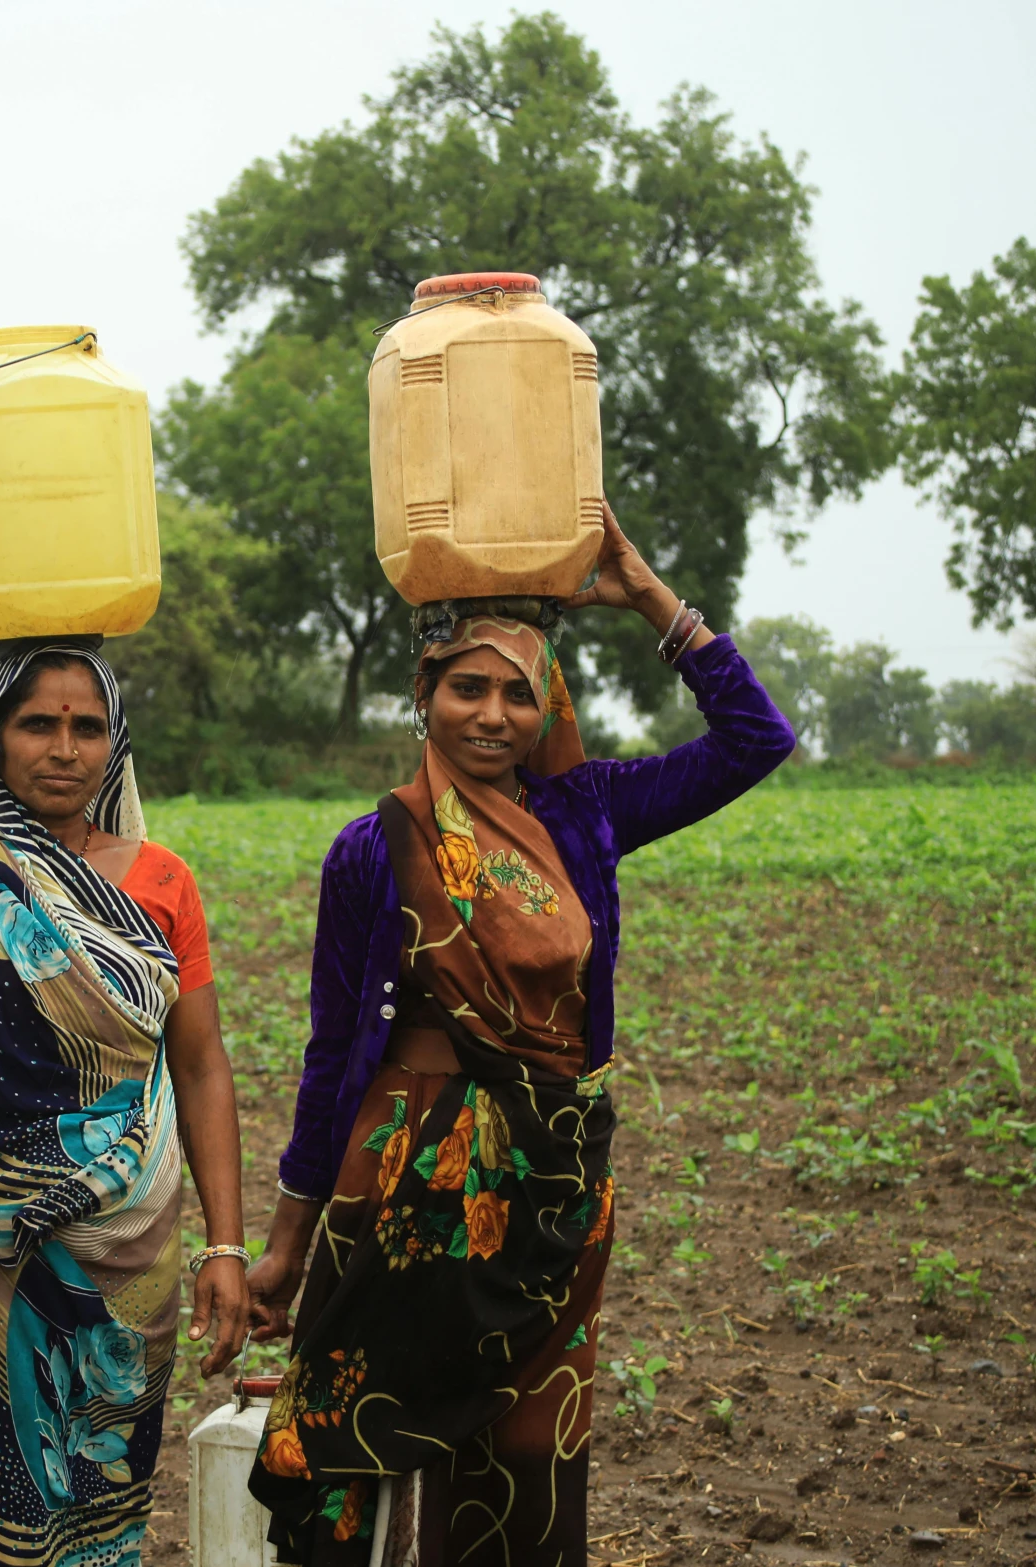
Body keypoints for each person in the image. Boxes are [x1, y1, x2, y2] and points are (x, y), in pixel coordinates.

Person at [244, 507, 796, 1566]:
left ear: (549, 704)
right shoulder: (374, 847)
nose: (492, 714)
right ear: (422, 695)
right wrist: (286, 1236)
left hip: (547, 1183)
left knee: (521, 1447)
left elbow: (755, 740)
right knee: (342, 1442)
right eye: (467, 686)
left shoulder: (585, 815)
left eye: (518, 692)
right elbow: (332, 1052)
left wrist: (647, 594)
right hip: (398, 1175)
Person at [0, 636, 252, 1567]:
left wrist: (227, 1245)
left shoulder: (163, 881)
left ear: (114, 744)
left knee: (107, 1512)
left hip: (131, 1262)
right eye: (38, 724)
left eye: (87, 727)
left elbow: (200, 1067)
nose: (64, 748)